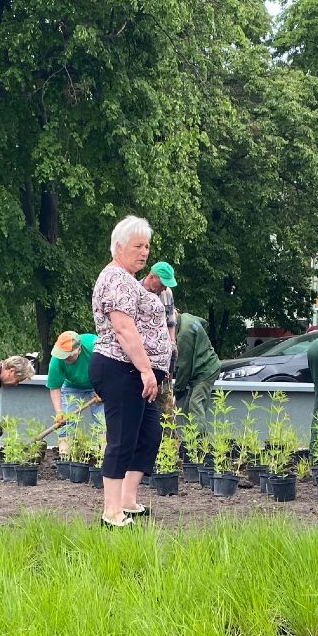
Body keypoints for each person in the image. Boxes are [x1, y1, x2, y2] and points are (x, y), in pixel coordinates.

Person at [89, 215, 172, 527]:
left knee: (149, 434)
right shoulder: (117, 279)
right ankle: (111, 514)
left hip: (135, 371)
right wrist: (146, 370)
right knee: (122, 438)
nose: (144, 252)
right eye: (138, 246)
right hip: (121, 368)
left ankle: (127, 500)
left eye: (147, 246)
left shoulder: (127, 279)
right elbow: (123, 328)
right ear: (118, 247)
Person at [45, 330, 103, 456]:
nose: (65, 358)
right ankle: (64, 455)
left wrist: (104, 389)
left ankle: (105, 456)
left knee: (103, 420)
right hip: (72, 386)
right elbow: (54, 387)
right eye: (63, 355)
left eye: (69, 356)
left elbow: (110, 368)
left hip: (98, 384)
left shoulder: (95, 346)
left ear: (79, 350)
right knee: (66, 421)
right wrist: (59, 412)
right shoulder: (57, 359)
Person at [142, 261, 178, 417]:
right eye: (163, 283)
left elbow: (171, 321)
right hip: (142, 359)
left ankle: (167, 432)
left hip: (163, 360)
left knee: (165, 406)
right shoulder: (136, 291)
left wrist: (172, 343)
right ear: (152, 277)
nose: (164, 287)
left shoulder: (167, 293)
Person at [173, 312, 221, 431]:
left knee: (195, 404)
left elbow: (184, 366)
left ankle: (199, 440)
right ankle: (189, 437)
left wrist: (178, 390)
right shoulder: (187, 317)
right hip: (205, 365)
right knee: (188, 407)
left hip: (206, 369)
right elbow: (204, 323)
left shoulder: (184, 335)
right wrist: (201, 342)